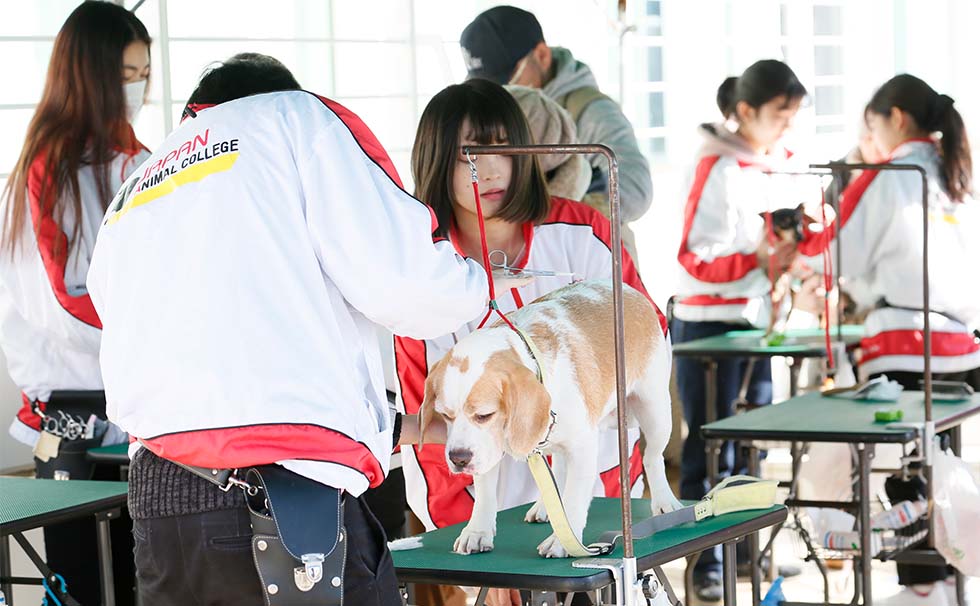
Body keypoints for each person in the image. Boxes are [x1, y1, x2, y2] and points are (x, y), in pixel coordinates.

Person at [85, 53, 526, 606]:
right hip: (282, 509)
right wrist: (480, 284)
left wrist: (407, 428)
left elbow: (220, 375)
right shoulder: (295, 119)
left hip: (159, 505)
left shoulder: (139, 186)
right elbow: (404, 282)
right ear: (276, 94)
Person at [397, 78, 666, 606]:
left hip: (596, 501)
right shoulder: (418, 276)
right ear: (434, 164)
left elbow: (643, 358)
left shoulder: (585, 235)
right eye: (465, 157)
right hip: (486, 517)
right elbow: (424, 420)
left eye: (501, 148)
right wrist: (479, 553)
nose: (490, 169)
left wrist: (614, 505)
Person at [798, 74, 980, 601]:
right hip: (959, 346)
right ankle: (944, 580)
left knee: (901, 467)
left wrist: (797, 241)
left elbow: (835, 252)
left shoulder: (890, 172)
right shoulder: (957, 172)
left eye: (872, 126)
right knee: (935, 462)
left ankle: (923, 587)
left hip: (902, 340)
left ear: (895, 119)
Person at [0, 2, 151, 603]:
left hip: (142, 410)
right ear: (87, 75)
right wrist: (153, 338)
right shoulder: (48, 170)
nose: (136, 89)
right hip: (77, 414)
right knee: (86, 585)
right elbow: (60, 303)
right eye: (125, 75)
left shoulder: (141, 161)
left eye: (143, 74)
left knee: (142, 578)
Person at [671, 59, 807, 603]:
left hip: (753, 323)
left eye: (795, 115)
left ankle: (749, 550)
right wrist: (756, 256)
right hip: (708, 325)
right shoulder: (715, 164)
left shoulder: (769, 162)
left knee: (750, 446)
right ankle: (706, 563)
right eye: (781, 114)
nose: (789, 126)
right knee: (711, 452)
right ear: (746, 110)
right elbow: (693, 257)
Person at [460, 5, 652, 226]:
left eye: (506, 79)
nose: (501, 93)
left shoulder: (590, 110)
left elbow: (637, 188)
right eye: (490, 84)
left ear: (541, 55)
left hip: (589, 253)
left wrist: (563, 206)